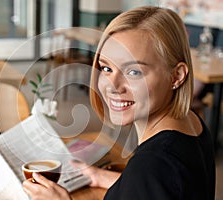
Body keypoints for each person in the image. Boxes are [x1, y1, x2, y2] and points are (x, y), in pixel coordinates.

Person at [23, 6, 216, 200]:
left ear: (177, 76)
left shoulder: (152, 164)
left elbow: (155, 176)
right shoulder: (191, 122)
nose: (112, 86)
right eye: (106, 68)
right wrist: (106, 177)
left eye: (134, 72)